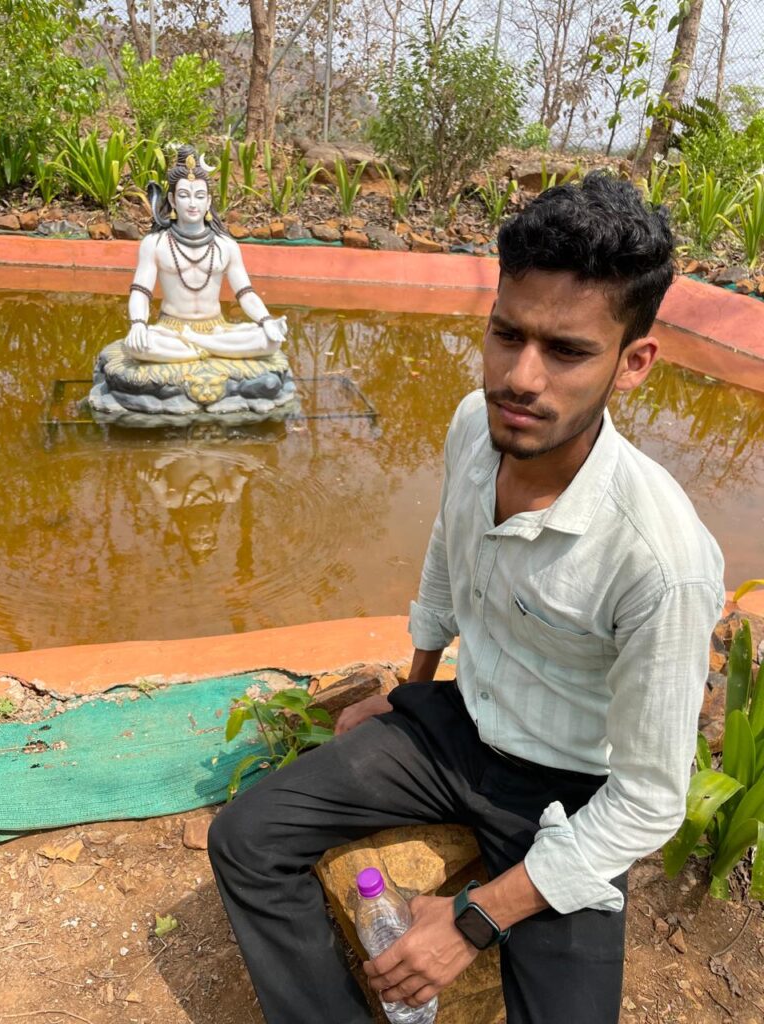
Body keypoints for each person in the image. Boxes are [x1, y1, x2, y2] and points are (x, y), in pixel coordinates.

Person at [208, 172, 725, 1024]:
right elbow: (448, 559)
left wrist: (473, 918)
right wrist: (406, 692)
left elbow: (649, 801)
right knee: (247, 838)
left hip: (568, 793)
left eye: (566, 351)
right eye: (506, 334)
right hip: (456, 728)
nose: (520, 378)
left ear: (632, 363)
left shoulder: (659, 560)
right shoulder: (470, 429)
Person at [124, 145, 287, 363]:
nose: (193, 204)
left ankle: (196, 345)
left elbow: (246, 294)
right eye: (184, 195)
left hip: (216, 327)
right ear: (172, 200)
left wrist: (265, 320)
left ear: (208, 201)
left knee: (271, 341)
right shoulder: (155, 243)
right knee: (137, 346)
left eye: (199, 196)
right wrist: (138, 324)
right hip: (171, 329)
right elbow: (141, 292)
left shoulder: (226, 245)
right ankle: (214, 349)